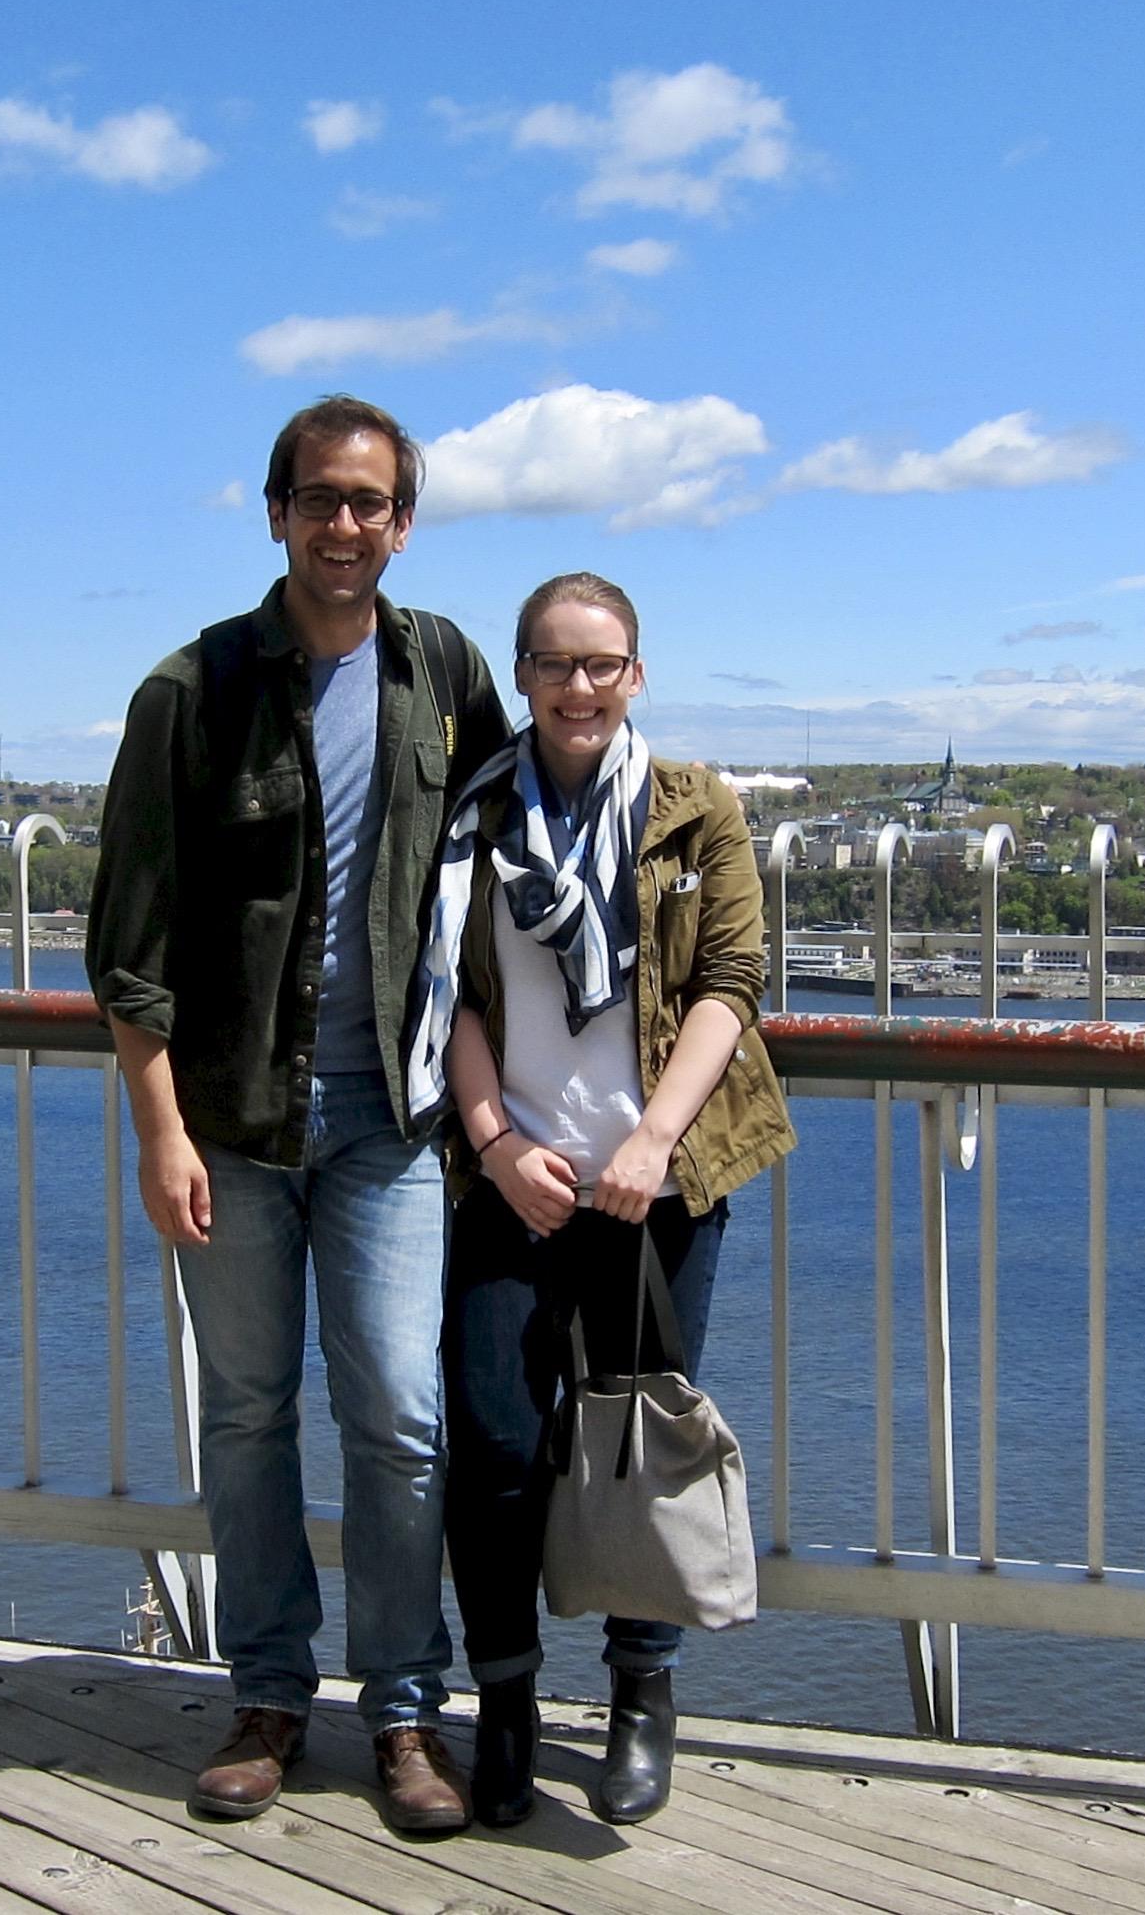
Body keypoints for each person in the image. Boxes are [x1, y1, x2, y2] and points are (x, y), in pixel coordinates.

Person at [87, 395, 509, 1833]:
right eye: (320, 499)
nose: (346, 526)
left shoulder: (439, 669)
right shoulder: (191, 692)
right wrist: (158, 1128)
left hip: (389, 1121)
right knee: (251, 1415)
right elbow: (128, 945)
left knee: (398, 1414)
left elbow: (508, 862)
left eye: (371, 503)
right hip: (232, 1122)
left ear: (402, 523)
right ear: (274, 512)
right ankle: (268, 1694)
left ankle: (404, 1709)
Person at [406, 571, 796, 1828]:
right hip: (513, 1181)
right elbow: (449, 995)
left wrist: (651, 1140)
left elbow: (732, 982)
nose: (579, 686)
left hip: (655, 1189)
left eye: (602, 664)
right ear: (520, 674)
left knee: (638, 1442)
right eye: (555, 663)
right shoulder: (472, 814)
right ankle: (507, 1702)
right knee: (500, 1447)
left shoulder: (695, 810)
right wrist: (493, 1140)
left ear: (637, 675)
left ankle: (642, 1693)